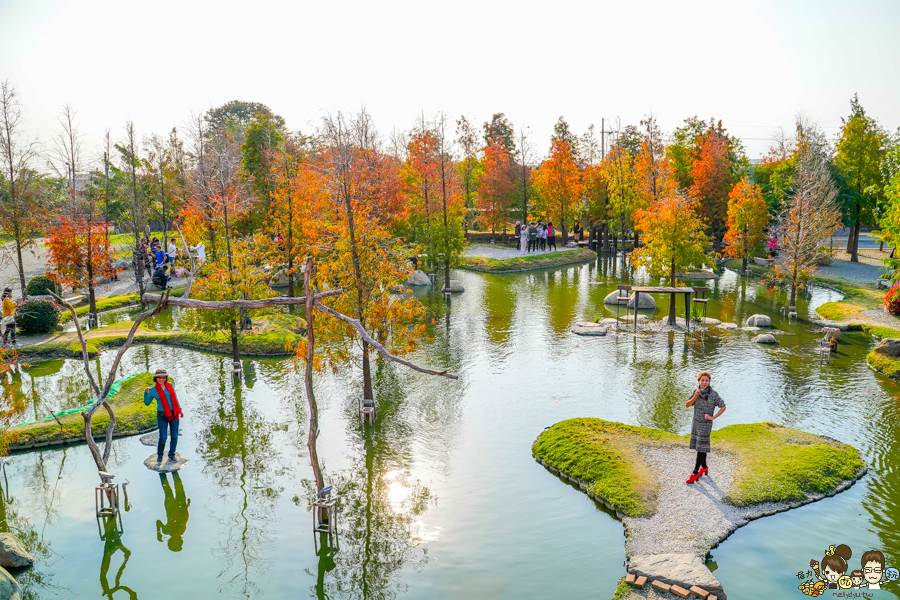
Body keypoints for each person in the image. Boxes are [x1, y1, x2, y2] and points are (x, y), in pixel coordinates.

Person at [685, 371, 726, 483]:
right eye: (702, 380)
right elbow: (687, 404)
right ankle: (704, 467)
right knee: (700, 446)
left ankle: (694, 472)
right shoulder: (696, 392)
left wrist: (713, 417)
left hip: (706, 425)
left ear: (709, 382)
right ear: (698, 381)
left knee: (700, 448)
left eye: (706, 380)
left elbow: (723, 406)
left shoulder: (713, 394)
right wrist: (695, 396)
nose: (704, 382)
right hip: (696, 423)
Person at [144, 368, 183, 462]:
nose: (161, 379)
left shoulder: (171, 385)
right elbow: (147, 403)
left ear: (166, 377)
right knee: (163, 437)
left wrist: (180, 409)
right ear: (156, 378)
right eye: (159, 378)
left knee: (174, 436)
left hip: (174, 413)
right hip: (162, 415)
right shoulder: (153, 390)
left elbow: (175, 398)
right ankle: (160, 455)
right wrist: (145, 393)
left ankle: (171, 454)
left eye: (163, 377)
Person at [157, 472, 190, 552]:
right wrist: (158, 532)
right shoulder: (167, 531)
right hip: (173, 507)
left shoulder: (177, 530)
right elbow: (158, 522)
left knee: (177, 488)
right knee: (168, 489)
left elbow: (185, 516)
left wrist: (187, 506)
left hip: (174, 506)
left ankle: (173, 472)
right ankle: (163, 473)